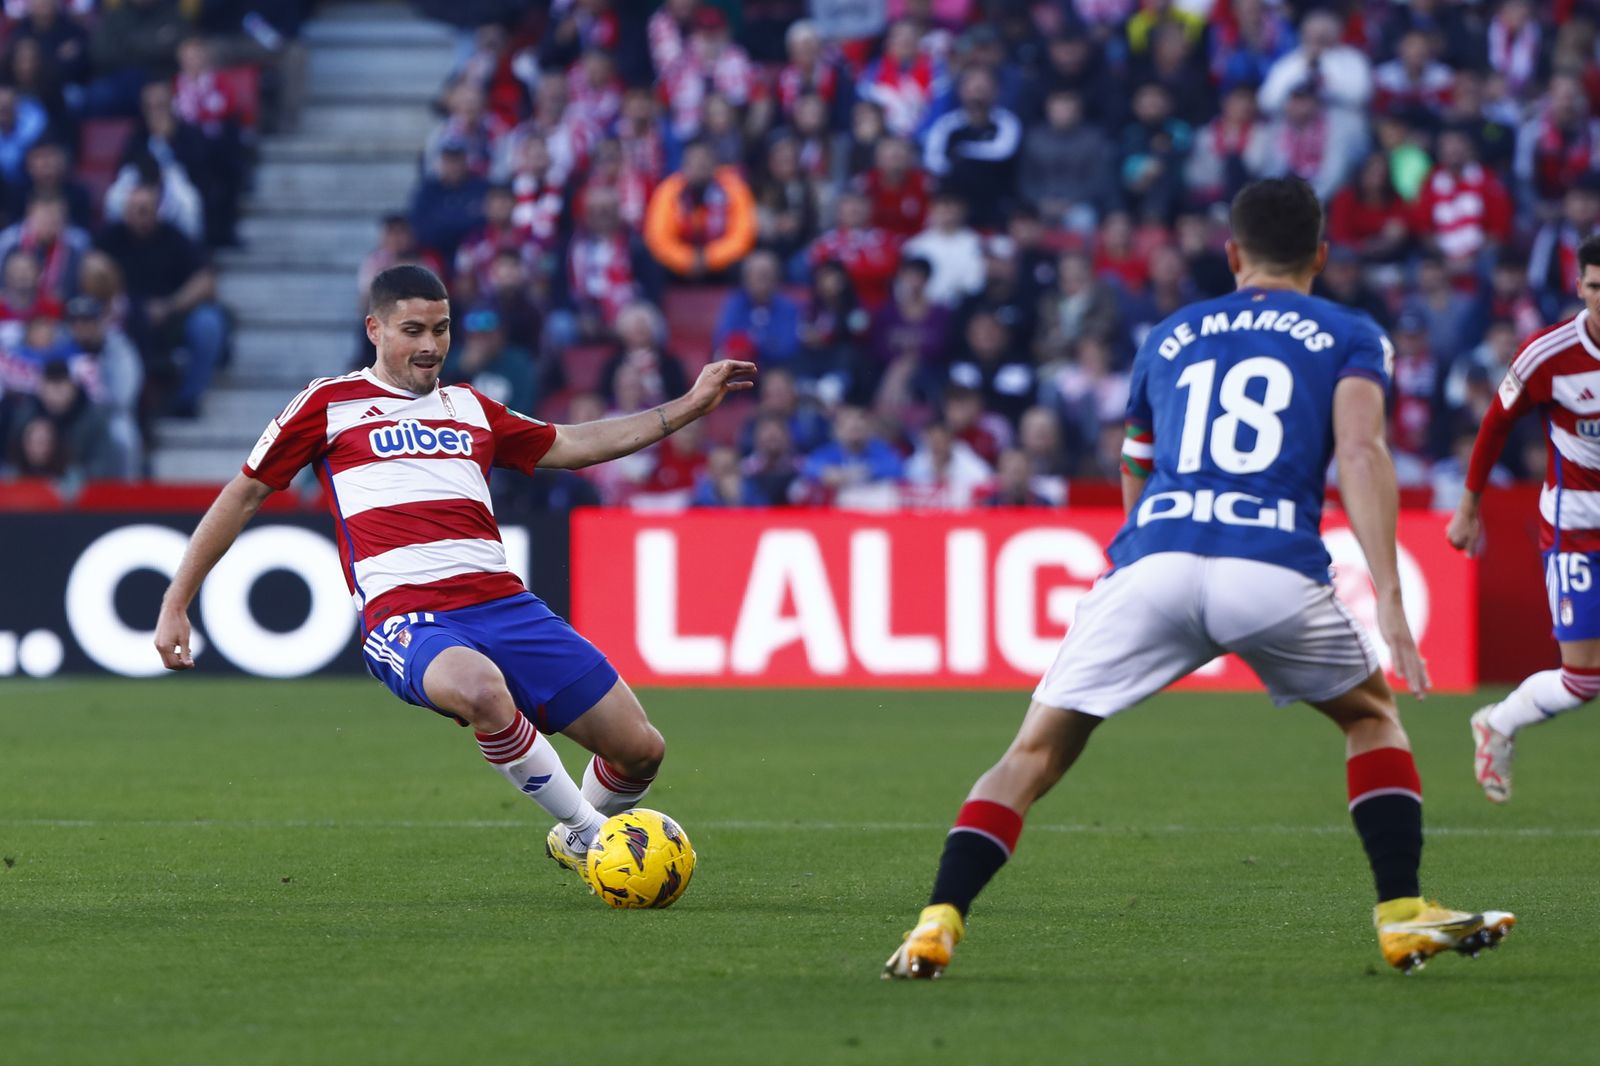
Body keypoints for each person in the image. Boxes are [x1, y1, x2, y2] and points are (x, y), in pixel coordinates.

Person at [885, 178, 1513, 981]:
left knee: (1032, 754)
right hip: (1271, 566)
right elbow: (1360, 454)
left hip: (1155, 558)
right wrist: (1388, 595)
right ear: (1320, 254)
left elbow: (1135, 462)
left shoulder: (1172, 333)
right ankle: (1399, 914)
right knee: (1370, 719)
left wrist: (1132, 567)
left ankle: (938, 919)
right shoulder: (1349, 333)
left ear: (1231, 254)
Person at [154, 264, 756, 879]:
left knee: (640, 751)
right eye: (412, 329)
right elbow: (242, 494)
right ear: (375, 330)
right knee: (479, 691)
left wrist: (688, 406)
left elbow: (574, 444)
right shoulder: (328, 404)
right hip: (407, 615)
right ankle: (593, 837)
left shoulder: (469, 407)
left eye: (441, 329)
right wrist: (178, 600)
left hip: (503, 605)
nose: (430, 345)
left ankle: (576, 841)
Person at [1447, 234, 1600, 805]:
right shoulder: (1548, 354)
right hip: (1575, 527)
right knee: (1584, 680)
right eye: (1594, 288)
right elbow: (1494, 425)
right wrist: (1468, 507)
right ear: (1580, 287)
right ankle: (1499, 723)